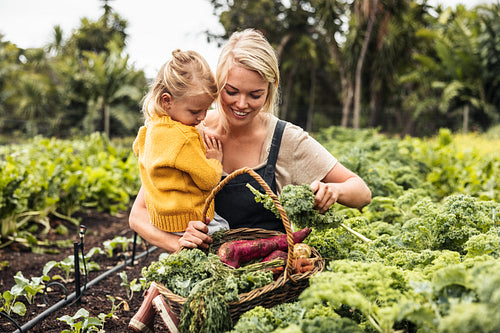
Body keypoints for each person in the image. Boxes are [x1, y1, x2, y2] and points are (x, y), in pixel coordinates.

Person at [129, 29, 372, 332]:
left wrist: (332, 190)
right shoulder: (190, 131)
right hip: (210, 291)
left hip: (268, 290)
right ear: (218, 84)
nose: (241, 103)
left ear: (271, 90)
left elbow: (361, 191)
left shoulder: (287, 140)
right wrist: (179, 244)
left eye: (255, 94)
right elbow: (139, 214)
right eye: (231, 91)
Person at [132, 49, 228, 236]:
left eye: (206, 109)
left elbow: (139, 149)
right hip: (192, 219)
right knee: (226, 235)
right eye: (194, 111)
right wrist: (215, 160)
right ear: (167, 101)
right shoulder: (185, 138)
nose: (202, 117)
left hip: (162, 219)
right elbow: (208, 180)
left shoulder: (149, 128)